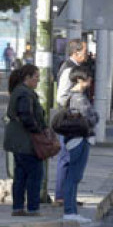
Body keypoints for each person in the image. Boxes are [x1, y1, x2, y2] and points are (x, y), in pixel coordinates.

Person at [3, 64, 46, 216]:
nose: (38, 80)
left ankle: (18, 207)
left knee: (20, 175)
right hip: (26, 142)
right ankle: (33, 208)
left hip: (19, 142)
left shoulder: (21, 91)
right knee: (34, 175)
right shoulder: (24, 93)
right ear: (27, 77)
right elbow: (26, 116)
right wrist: (39, 131)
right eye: (36, 77)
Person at [58, 66, 97, 223]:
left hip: (74, 139)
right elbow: (90, 118)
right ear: (80, 80)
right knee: (73, 176)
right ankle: (69, 211)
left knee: (73, 176)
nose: (90, 80)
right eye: (88, 78)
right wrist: (95, 117)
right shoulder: (79, 98)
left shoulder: (71, 97)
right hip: (79, 139)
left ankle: (71, 210)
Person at [54, 39, 87, 207]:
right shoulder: (69, 69)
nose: (87, 55)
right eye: (84, 51)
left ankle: (67, 195)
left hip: (71, 119)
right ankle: (61, 196)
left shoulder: (73, 67)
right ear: (76, 52)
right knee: (66, 158)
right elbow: (61, 96)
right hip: (67, 119)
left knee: (71, 157)